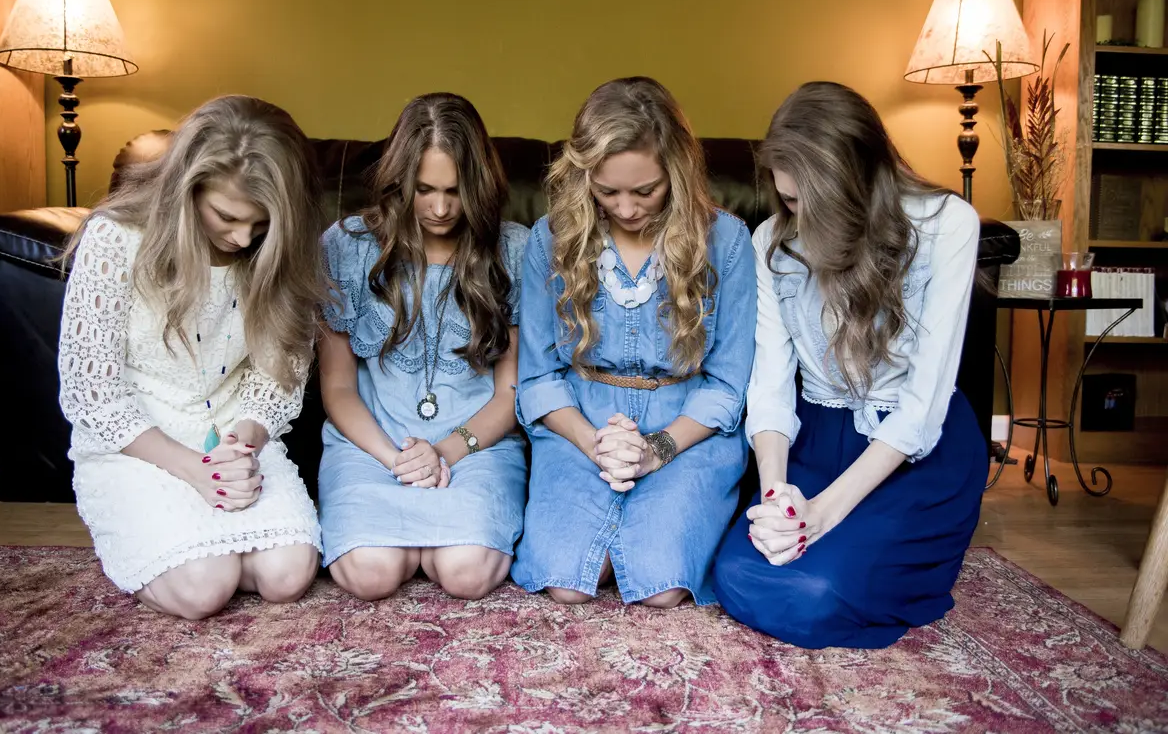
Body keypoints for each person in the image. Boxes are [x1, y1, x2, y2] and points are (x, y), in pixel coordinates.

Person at [712, 81, 985, 649]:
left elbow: (923, 408)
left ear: (863, 179)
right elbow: (769, 388)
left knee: (817, 594)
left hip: (911, 452)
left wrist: (821, 516)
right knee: (738, 573)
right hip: (812, 442)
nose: (802, 220)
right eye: (789, 201)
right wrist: (777, 496)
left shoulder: (948, 226)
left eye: (821, 202)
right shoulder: (769, 244)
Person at [58, 95, 327, 619]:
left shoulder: (275, 252)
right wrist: (193, 471)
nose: (243, 237)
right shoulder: (114, 239)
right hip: (137, 445)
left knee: (288, 575)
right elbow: (94, 393)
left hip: (229, 442)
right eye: (226, 216)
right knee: (205, 588)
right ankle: (160, 544)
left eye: (262, 224)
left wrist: (241, 441)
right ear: (187, 187)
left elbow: (278, 375)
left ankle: (197, 545)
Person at [511, 76, 755, 608]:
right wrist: (595, 442)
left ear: (679, 172)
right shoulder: (549, 240)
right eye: (607, 191)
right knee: (568, 581)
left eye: (645, 190)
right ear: (583, 177)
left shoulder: (728, 241)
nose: (626, 209)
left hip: (689, 431)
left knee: (660, 585)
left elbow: (729, 383)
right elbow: (536, 376)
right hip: (581, 425)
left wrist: (656, 449)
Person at [318, 93, 529, 601]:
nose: (439, 208)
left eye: (456, 191)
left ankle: (433, 539)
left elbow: (511, 394)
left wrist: (443, 453)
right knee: (370, 575)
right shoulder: (346, 245)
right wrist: (396, 460)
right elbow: (339, 386)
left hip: (478, 448)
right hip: (370, 447)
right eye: (424, 190)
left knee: (466, 573)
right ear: (398, 182)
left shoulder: (517, 250)